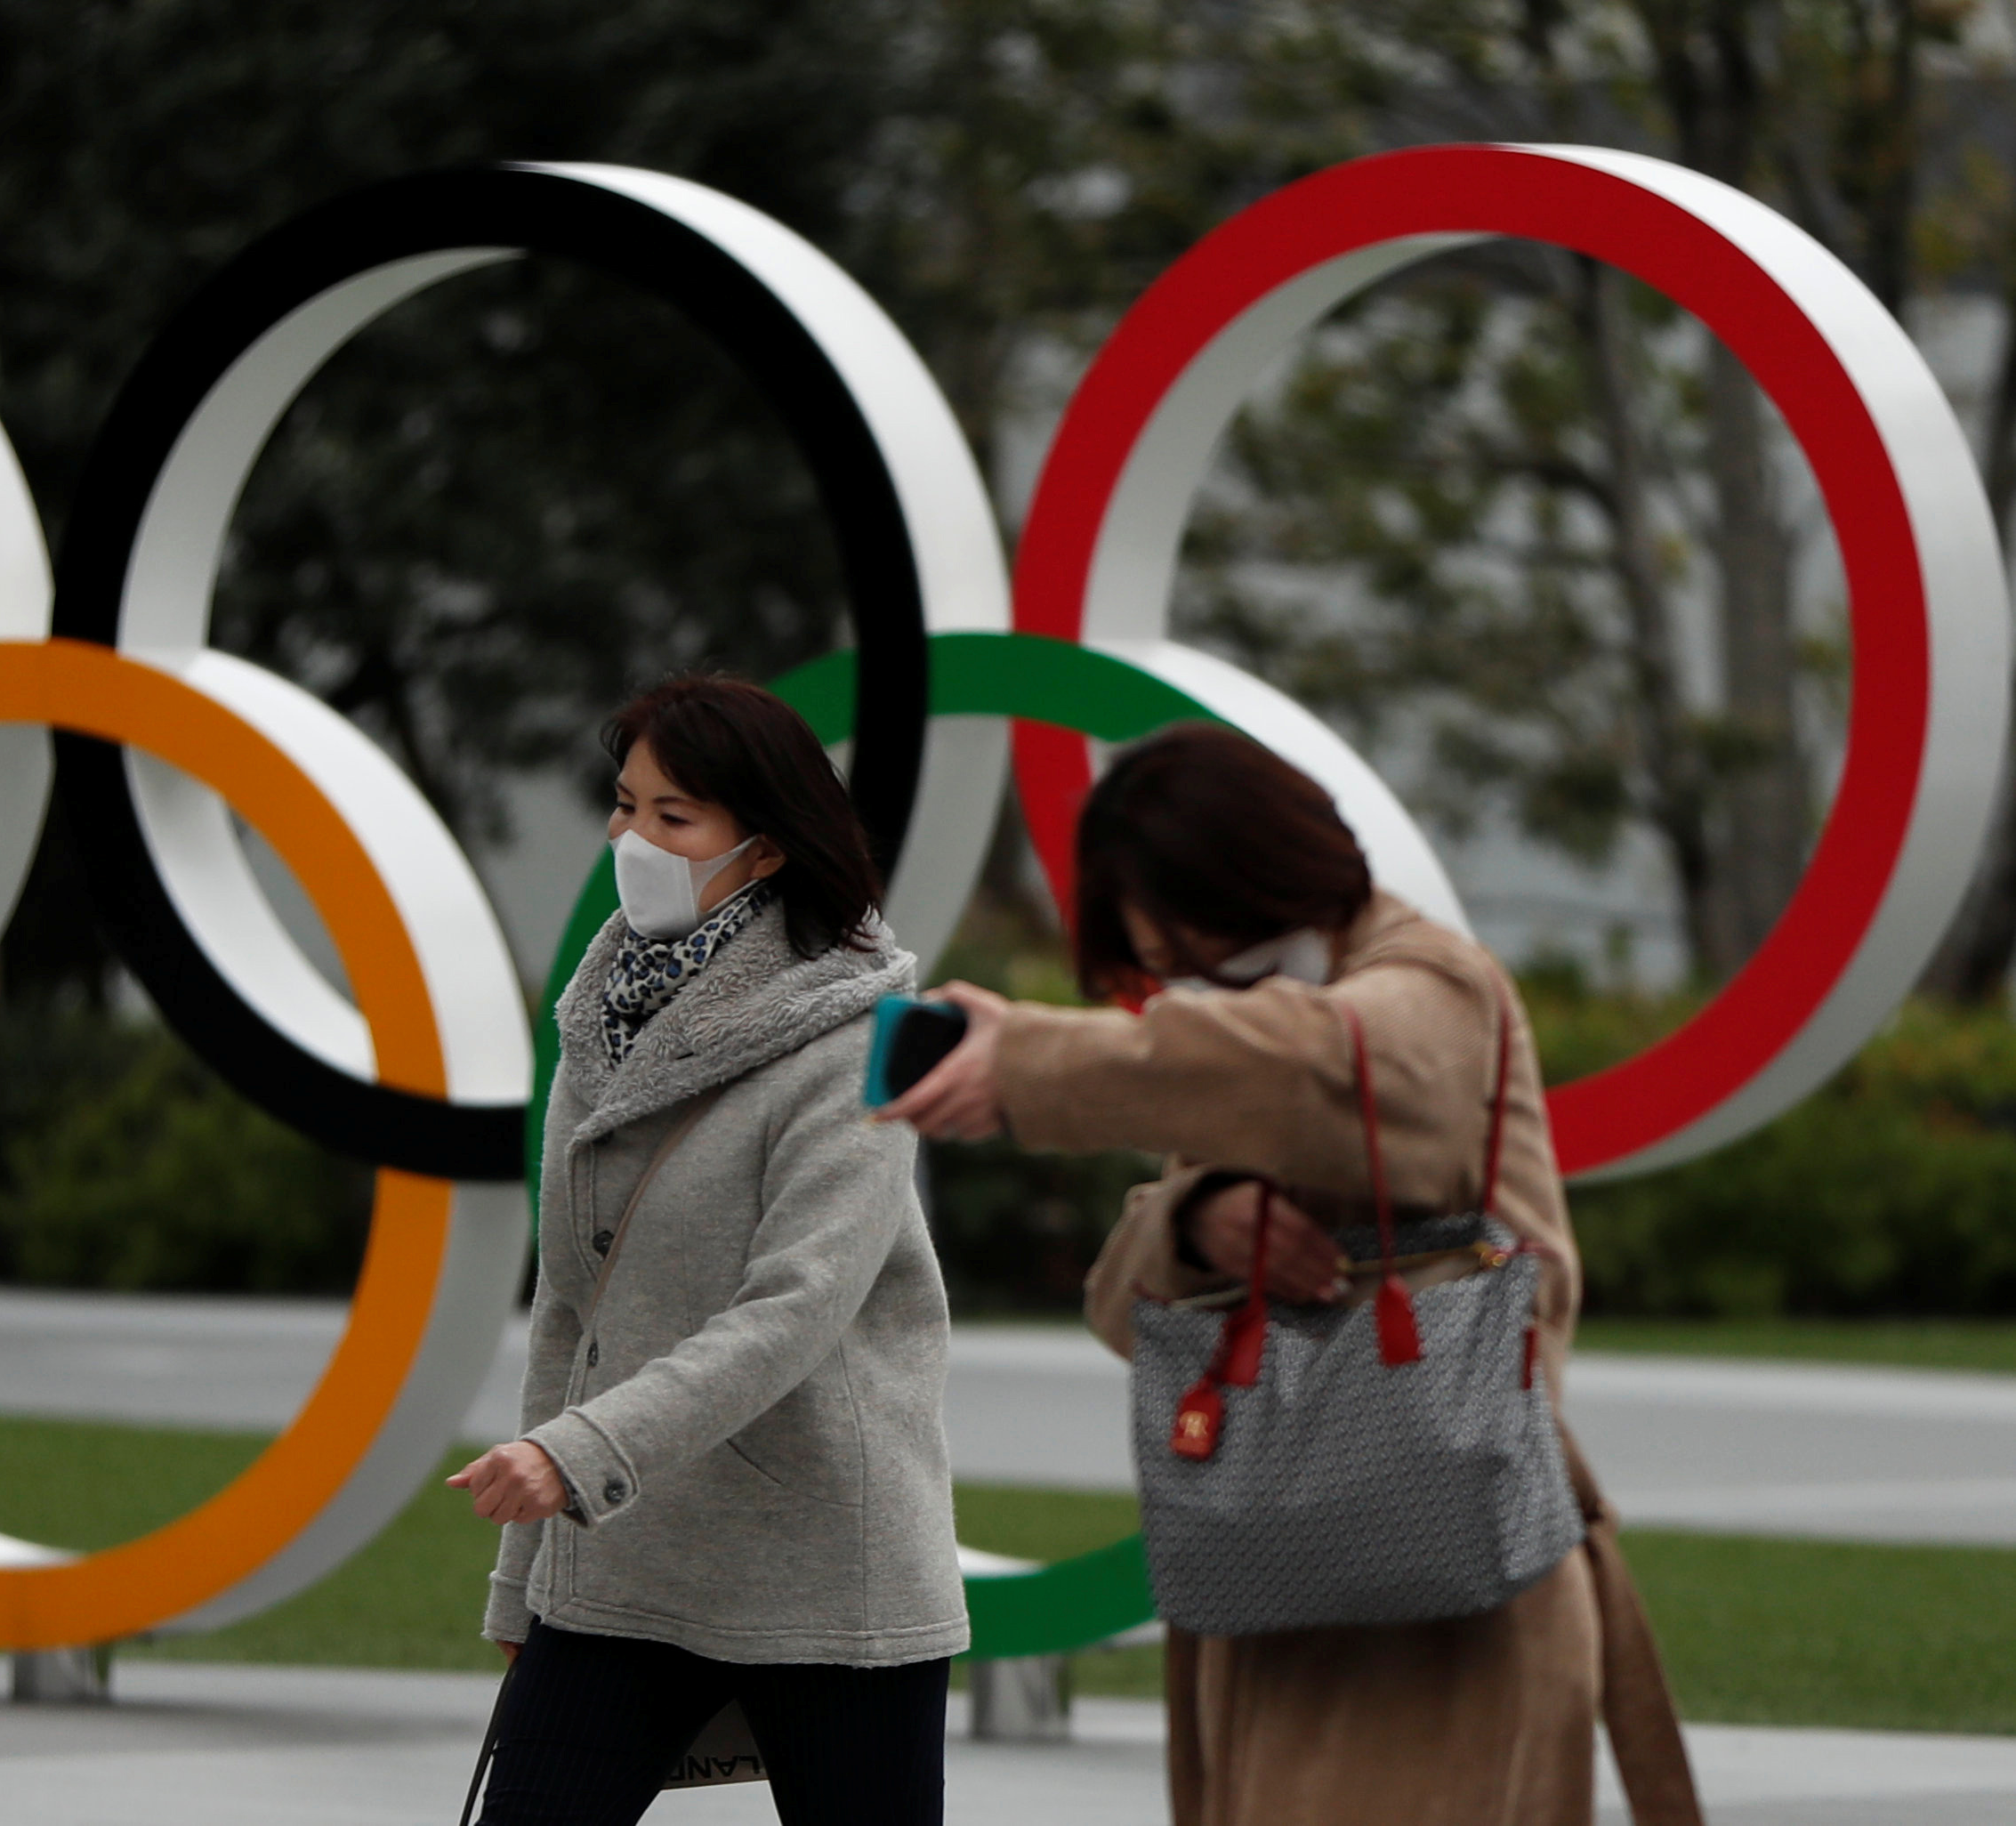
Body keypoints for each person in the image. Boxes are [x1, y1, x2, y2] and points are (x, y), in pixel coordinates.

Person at [878, 723, 1699, 1826]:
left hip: (1452, 1603)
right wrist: (1204, 1218)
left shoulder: (1429, 991)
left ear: (1264, 876)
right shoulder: (1238, 1050)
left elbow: (1323, 1065)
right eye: (1157, 967)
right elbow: (1122, 1299)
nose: (1180, 987)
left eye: (1187, 946)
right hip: (1275, 1588)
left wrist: (1029, 1060)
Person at [448, 673, 965, 1826]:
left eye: (671, 818)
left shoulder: (865, 1041)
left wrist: (578, 1453)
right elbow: (572, 1306)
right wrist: (524, 1575)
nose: (630, 839)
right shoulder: (600, 1023)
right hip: (622, 1554)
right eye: (624, 805)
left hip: (827, 1569)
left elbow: (794, 1307)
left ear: (766, 847)